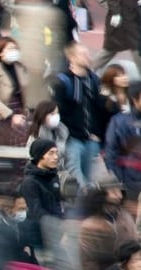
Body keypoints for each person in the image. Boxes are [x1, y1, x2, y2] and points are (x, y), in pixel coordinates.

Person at [53, 42, 105, 186]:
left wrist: (97, 133)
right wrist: (66, 135)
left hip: (92, 139)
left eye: (88, 54)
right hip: (72, 139)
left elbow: (100, 109)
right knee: (76, 181)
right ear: (72, 57)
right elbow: (59, 112)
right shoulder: (62, 82)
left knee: (92, 180)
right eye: (83, 54)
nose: (88, 57)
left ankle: (87, 206)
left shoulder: (94, 80)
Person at [81, 182, 136, 270]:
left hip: (124, 266)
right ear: (102, 195)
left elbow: (133, 244)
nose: (119, 195)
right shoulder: (90, 225)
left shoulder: (125, 217)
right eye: (114, 192)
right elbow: (92, 262)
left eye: (119, 191)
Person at [18, 139, 63, 249]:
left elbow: (58, 202)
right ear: (40, 156)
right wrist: (57, 226)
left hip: (55, 234)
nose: (56, 157)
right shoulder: (30, 182)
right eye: (51, 153)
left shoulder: (54, 176)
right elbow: (36, 211)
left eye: (56, 153)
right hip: (37, 236)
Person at [0, 37, 29, 146]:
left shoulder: (20, 68)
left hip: (20, 111)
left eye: (15, 48)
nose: (14, 51)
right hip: (4, 114)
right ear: (0, 52)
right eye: (10, 49)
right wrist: (11, 115)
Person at [104, 82, 141, 200]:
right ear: (135, 100)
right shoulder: (119, 122)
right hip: (131, 180)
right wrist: (119, 178)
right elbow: (111, 152)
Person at [0, 193, 38, 270]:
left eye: (25, 209)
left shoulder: (23, 227)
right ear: (7, 210)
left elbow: (32, 256)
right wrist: (25, 255)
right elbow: (9, 263)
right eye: (21, 209)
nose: (24, 213)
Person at [27, 100, 69, 165]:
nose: (56, 116)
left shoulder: (62, 133)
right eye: (52, 114)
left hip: (61, 172)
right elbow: (32, 160)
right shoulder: (36, 135)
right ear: (43, 115)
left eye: (57, 113)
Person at [100, 64, 130, 141]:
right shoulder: (105, 99)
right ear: (111, 79)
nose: (124, 78)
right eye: (119, 75)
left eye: (124, 74)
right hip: (111, 139)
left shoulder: (132, 96)